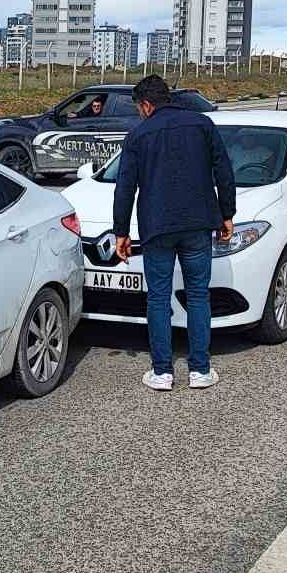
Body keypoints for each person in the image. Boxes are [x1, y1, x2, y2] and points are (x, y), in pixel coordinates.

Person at [112, 74, 235, 391]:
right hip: (197, 224)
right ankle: (200, 371)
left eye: (140, 107)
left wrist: (121, 232)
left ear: (147, 104)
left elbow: (125, 187)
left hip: (157, 227)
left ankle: (162, 372)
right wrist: (227, 214)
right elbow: (223, 169)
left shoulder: (138, 135)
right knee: (198, 295)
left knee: (157, 298)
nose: (140, 113)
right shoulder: (202, 124)